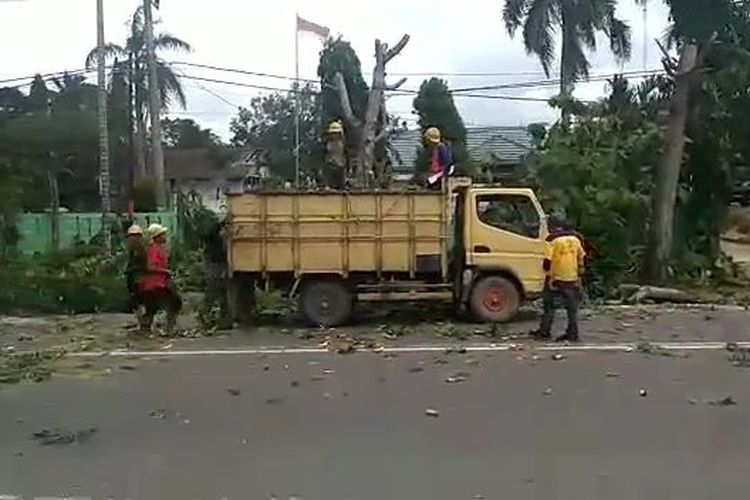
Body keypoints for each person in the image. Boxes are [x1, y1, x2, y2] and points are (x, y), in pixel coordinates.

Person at [533, 217, 586, 342]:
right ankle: (573, 334)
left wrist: (549, 277)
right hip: (572, 278)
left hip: (556, 279)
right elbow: (581, 258)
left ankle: (545, 331)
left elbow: (547, 262)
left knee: (549, 306)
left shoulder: (552, 241)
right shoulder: (576, 240)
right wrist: (579, 275)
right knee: (572, 309)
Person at [140, 223, 182, 333]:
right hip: (155, 284)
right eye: (163, 235)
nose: (165, 237)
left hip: (159, 283)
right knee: (173, 303)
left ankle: (156, 327)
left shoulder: (159, 248)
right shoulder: (154, 249)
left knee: (154, 307)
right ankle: (165, 327)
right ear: (157, 237)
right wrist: (166, 271)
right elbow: (150, 266)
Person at [125, 224, 146, 316]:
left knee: (139, 295)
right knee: (133, 294)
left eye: (136, 236)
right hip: (132, 274)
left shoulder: (140, 249)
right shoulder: (131, 249)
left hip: (138, 275)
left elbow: (143, 263)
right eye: (132, 236)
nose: (133, 239)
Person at [324, 120, 347, 189]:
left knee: (340, 185)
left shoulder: (342, 143)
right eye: (333, 133)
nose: (334, 135)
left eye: (336, 133)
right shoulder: (328, 143)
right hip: (330, 166)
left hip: (340, 166)